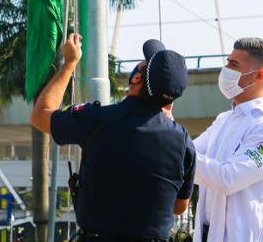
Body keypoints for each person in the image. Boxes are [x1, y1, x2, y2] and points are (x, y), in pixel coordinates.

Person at [31, 34, 196, 242]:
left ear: (136, 78)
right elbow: (179, 206)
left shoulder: (98, 119)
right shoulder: (183, 142)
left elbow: (40, 115)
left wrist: (69, 64)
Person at [192, 37, 263, 242]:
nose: (225, 69)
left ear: (258, 75)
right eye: (227, 62)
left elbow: (227, 178)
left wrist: (171, 147)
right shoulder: (224, 120)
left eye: (234, 65)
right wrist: (166, 132)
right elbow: (186, 153)